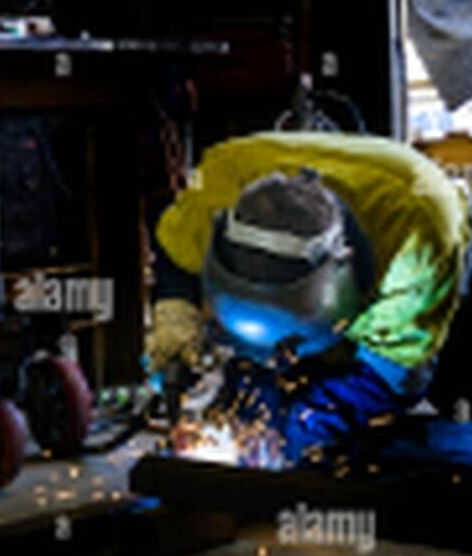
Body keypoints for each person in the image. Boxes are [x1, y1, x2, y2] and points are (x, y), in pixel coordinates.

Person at [146, 131, 470, 467]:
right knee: (252, 405)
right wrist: (175, 317)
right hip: (262, 161)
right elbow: (177, 254)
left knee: (445, 394)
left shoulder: (417, 248)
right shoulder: (217, 188)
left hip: (416, 211)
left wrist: (300, 427)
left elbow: (392, 375)